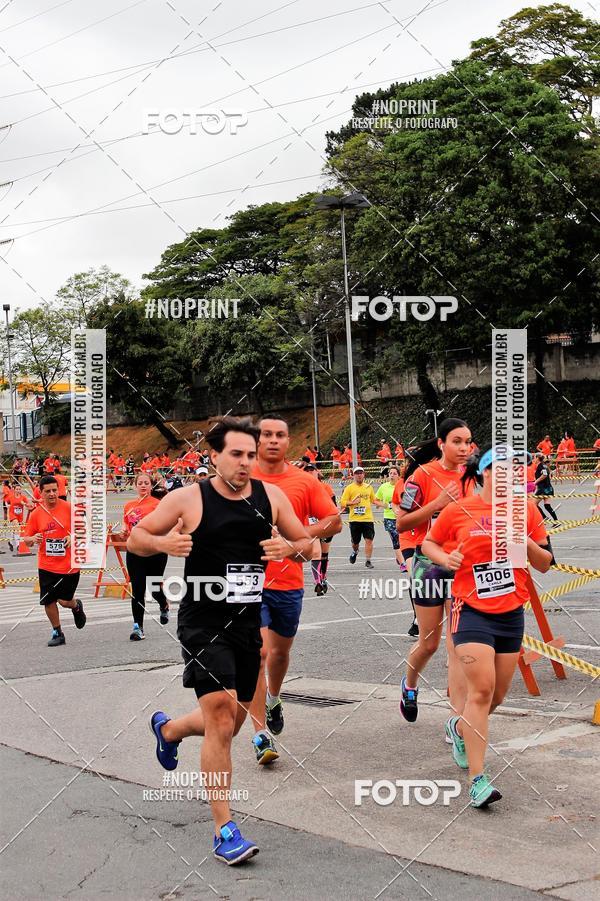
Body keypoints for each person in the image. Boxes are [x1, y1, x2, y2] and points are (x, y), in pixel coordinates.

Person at [127, 416, 313, 865]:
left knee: (228, 717)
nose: (245, 462)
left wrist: (291, 548)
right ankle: (223, 827)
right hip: (202, 620)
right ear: (214, 455)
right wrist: (164, 546)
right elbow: (136, 538)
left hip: (246, 623)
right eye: (236, 454)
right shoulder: (188, 498)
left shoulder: (271, 497)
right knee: (221, 720)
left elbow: (309, 542)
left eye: (251, 455)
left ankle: (168, 729)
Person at [422, 447, 553, 808]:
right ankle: (478, 781)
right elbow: (428, 541)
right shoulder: (459, 510)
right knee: (481, 691)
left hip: (511, 612)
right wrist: (444, 558)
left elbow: (545, 563)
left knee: (496, 697)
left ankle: (459, 727)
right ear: (483, 474)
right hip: (471, 610)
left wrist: (521, 540)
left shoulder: (525, 510)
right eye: (499, 470)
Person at [248, 414, 341, 763]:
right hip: (247, 583)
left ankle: (273, 697)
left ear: (289, 442)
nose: (273, 440)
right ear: (257, 440)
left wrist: (297, 537)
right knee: (257, 653)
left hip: (288, 581)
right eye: (266, 434)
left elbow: (335, 521)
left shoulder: (303, 482)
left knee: (280, 654)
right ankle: (260, 734)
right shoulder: (240, 477)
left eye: (280, 435)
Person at [395, 418, 474, 727]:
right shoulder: (422, 475)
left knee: (458, 645)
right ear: (442, 444)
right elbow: (401, 522)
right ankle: (409, 685)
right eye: (457, 441)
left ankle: (456, 724)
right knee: (430, 642)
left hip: (463, 567)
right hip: (428, 566)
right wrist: (438, 503)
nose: (464, 447)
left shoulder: (474, 477)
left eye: (468, 441)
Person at [22, 475, 86, 646]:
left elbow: (82, 530)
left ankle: (76, 606)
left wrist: (73, 536)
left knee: (64, 601)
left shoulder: (69, 508)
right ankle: (57, 632)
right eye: (47, 491)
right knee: (48, 600)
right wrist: (33, 538)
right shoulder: (36, 514)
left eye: (54, 490)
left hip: (68, 565)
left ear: (59, 490)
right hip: (46, 564)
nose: (52, 494)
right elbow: (26, 539)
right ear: (41, 493)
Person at [113, 472, 170, 640]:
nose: (143, 485)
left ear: (151, 486)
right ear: (135, 485)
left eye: (146, 483)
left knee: (153, 588)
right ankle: (138, 627)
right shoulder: (129, 505)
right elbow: (127, 525)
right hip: (135, 550)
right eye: (140, 483)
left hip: (155, 550)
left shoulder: (158, 504)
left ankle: (163, 604)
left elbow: (164, 525)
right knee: (137, 589)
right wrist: (124, 531)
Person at [340, 467, 384, 568]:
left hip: (367, 519)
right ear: (354, 475)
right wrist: (352, 502)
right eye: (357, 473)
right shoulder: (349, 488)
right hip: (354, 519)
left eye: (361, 473)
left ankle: (368, 560)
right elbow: (342, 502)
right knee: (355, 542)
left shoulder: (368, 487)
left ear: (364, 474)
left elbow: (374, 500)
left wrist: (385, 505)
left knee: (369, 540)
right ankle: (355, 551)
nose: (359, 475)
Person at [304, 464, 337, 595]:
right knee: (316, 553)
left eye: (312, 470)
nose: (310, 473)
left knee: (324, 554)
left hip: (325, 524)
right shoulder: (302, 488)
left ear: (318, 472)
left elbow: (333, 506)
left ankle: (323, 578)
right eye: (307, 471)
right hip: (311, 526)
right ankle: (317, 582)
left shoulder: (326, 488)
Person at [376, 466, 404, 567]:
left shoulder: (402, 486)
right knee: (395, 538)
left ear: (398, 476)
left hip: (402, 517)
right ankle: (402, 563)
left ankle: (399, 557)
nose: (391, 475)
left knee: (402, 539)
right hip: (389, 517)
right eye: (390, 473)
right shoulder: (384, 487)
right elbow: (375, 500)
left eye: (394, 473)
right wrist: (385, 505)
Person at [6, 482, 34, 553]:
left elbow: (28, 504)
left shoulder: (23, 497)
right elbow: (6, 501)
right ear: (14, 490)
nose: (18, 490)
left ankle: (11, 542)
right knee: (17, 528)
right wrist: (7, 505)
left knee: (15, 530)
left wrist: (25, 504)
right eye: (17, 489)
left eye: (19, 489)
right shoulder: (11, 496)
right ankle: (18, 545)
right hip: (12, 514)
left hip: (20, 515)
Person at [533, 454, 559, 525]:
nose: (533, 460)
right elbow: (549, 476)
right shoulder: (544, 465)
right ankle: (556, 521)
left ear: (538, 458)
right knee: (547, 506)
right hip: (548, 488)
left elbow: (544, 475)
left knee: (533, 504)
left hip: (543, 489)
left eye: (534, 458)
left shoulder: (540, 466)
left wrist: (535, 482)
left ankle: (544, 517)